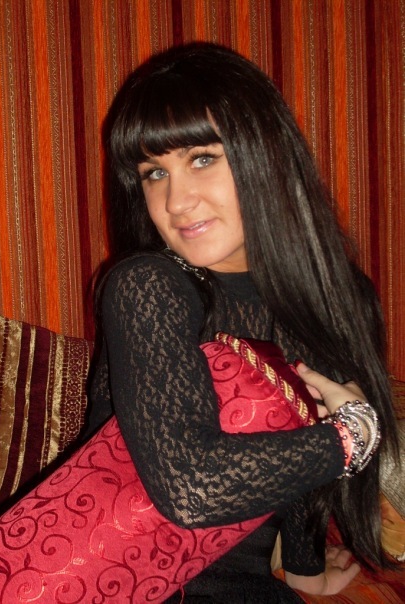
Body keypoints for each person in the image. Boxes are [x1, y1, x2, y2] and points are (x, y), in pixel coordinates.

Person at [86, 42, 399, 602]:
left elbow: (300, 439)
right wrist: (353, 436)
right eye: (154, 172)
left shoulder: (340, 296)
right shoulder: (147, 285)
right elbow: (191, 488)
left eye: (202, 159)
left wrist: (303, 567)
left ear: (266, 155)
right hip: (119, 587)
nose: (176, 201)